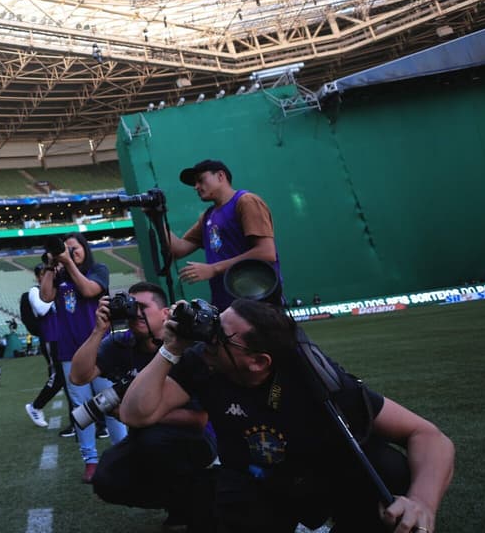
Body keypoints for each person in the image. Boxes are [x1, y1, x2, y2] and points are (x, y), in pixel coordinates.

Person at [121, 298, 455, 533]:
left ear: (259, 362)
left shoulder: (318, 383)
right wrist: (171, 348)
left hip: (320, 477)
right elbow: (136, 413)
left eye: (221, 333)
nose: (209, 336)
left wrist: (422, 502)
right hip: (253, 482)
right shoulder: (205, 362)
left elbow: (427, 436)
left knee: (388, 467)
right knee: (214, 510)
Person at [70, 283, 216, 527]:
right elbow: (78, 376)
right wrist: (99, 330)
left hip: (194, 441)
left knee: (154, 440)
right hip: (145, 438)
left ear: (165, 313)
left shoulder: (186, 347)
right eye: (131, 306)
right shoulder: (121, 344)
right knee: (106, 478)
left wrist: (137, 415)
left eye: (143, 307)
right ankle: (178, 502)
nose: (135, 313)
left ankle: (200, 500)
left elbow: (199, 419)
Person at [40, 232, 121, 482]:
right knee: (81, 408)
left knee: (110, 404)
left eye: (74, 249)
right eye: (65, 249)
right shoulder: (59, 272)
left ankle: (123, 455)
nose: (70, 253)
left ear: (85, 249)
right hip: (69, 351)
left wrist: (69, 263)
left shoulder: (98, 269)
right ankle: (91, 460)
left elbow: (88, 290)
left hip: (101, 349)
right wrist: (51, 266)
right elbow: (45, 297)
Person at [169, 160, 278, 310]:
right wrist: (157, 216)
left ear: (221, 176)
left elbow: (266, 253)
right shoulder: (208, 215)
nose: (196, 187)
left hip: (257, 303)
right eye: (195, 183)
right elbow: (178, 250)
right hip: (226, 304)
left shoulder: (246, 201)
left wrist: (213, 269)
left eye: (201, 180)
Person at [23, 263, 72, 429]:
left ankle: (76, 419)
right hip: (52, 339)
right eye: (45, 274)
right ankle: (36, 406)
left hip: (65, 338)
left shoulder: (60, 287)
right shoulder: (35, 291)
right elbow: (42, 309)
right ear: (38, 277)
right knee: (59, 377)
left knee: (67, 377)